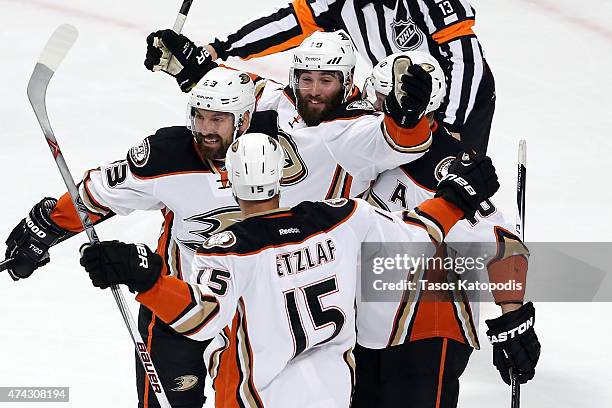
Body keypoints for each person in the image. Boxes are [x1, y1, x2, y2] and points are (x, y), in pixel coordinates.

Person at [4, 27, 444, 407]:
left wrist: (411, 119)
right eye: (202, 116)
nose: (208, 129)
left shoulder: (302, 148)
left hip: (258, 315)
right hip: (179, 304)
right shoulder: (171, 154)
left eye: (221, 119)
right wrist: (42, 227)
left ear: (247, 120)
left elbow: (398, 142)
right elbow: (97, 194)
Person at [79, 132, 501, 407]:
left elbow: (200, 319)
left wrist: (146, 278)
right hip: (333, 396)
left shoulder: (227, 250)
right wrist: (453, 199)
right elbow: (416, 238)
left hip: (258, 399)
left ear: (231, 179)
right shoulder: (345, 218)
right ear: (283, 174)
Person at [352, 51, 540, 407]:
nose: (372, 109)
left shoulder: (448, 167)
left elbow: (503, 243)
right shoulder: (367, 147)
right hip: (369, 325)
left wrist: (512, 317)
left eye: (380, 102)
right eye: (372, 98)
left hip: (429, 330)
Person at [145, 0, 495, 153]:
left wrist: (452, 128)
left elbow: (469, 63)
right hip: (393, 96)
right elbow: (292, 21)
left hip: (459, 103)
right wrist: (219, 49)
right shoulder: (339, 2)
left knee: (448, 188)